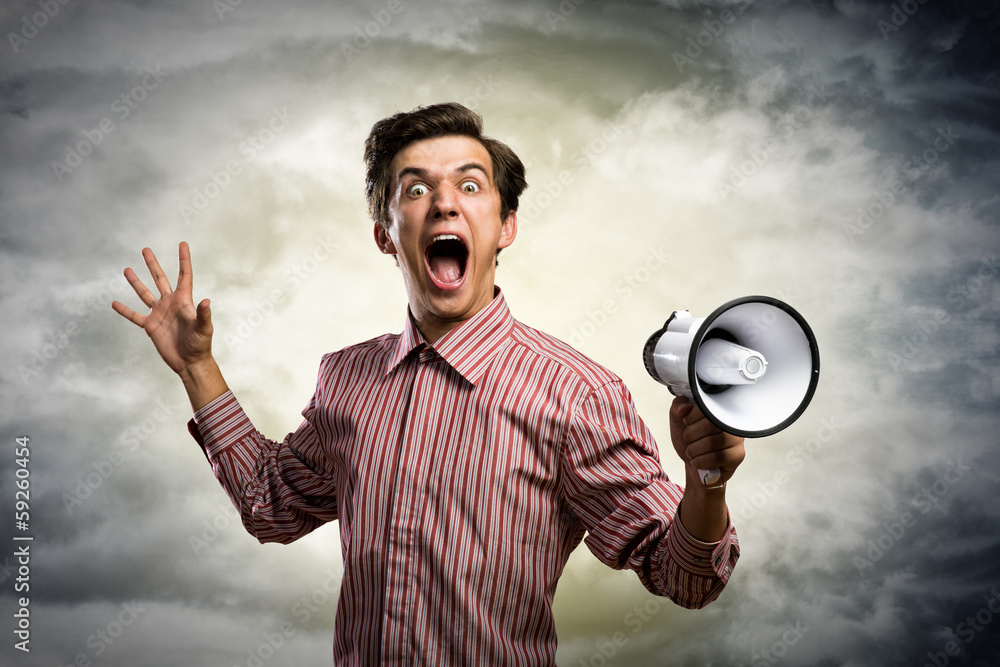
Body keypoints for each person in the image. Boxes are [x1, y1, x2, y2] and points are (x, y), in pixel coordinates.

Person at [112, 102, 745, 666]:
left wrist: (707, 481)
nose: (445, 202)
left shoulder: (576, 392)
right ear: (387, 232)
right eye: (416, 189)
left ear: (505, 226)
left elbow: (686, 578)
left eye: (470, 186)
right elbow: (271, 506)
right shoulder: (347, 380)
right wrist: (198, 368)